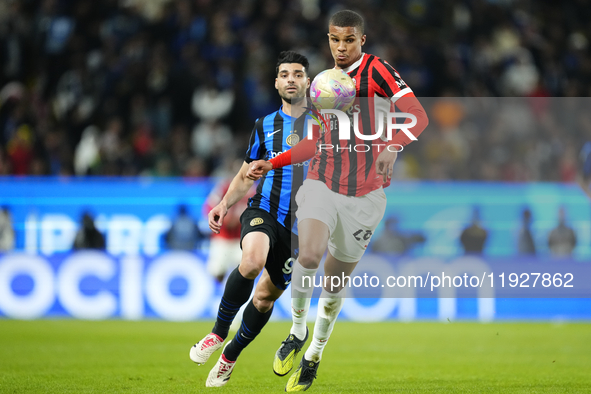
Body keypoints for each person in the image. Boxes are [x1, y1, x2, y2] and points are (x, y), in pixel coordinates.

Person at [248, 10, 428, 391]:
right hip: (322, 183)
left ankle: (314, 354)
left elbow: (417, 116)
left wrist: (393, 146)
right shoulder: (323, 84)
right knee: (309, 255)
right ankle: (297, 330)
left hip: (366, 195)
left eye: (349, 40)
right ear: (328, 39)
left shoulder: (378, 71)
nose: (341, 47)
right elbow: (314, 142)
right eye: (334, 39)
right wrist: (273, 161)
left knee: (333, 284)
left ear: (362, 40)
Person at [189, 51, 311, 388]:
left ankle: (230, 355)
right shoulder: (264, 126)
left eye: (298, 74)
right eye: (284, 74)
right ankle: (216, 333)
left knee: (264, 298)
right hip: (264, 211)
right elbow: (246, 174)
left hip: (301, 229)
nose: (291, 79)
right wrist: (224, 204)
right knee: (252, 260)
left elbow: (311, 149)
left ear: (307, 81)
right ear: (276, 82)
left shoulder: (324, 122)